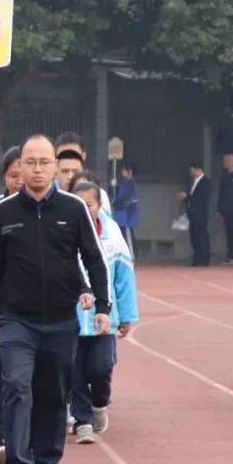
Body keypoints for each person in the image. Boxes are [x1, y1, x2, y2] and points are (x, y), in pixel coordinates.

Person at [0, 134, 111, 464]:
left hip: (60, 321)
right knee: (16, 387)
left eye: (43, 162)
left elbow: (93, 259)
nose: (37, 169)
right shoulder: (4, 212)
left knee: (54, 395)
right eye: (30, 162)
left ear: (55, 167)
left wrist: (102, 306)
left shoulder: (73, 209)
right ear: (19, 168)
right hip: (15, 320)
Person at [68, 181, 138, 444]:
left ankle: (100, 403)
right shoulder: (63, 231)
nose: (85, 210)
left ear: (99, 206)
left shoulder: (112, 235)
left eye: (90, 205)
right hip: (70, 320)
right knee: (73, 373)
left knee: (101, 367)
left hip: (104, 320)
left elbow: (124, 277)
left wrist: (127, 315)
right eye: (80, 205)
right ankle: (82, 421)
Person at [0, 145, 22, 464]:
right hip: (4, 312)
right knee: (8, 376)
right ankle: (5, 441)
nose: (20, 181)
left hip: (45, 313)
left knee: (36, 381)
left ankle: (32, 445)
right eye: (13, 175)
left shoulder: (57, 210)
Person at [179, 162, 211, 266]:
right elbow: (190, 195)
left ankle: (204, 259)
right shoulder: (192, 181)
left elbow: (202, 197)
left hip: (200, 213)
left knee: (201, 236)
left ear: (198, 169)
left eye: (192, 170)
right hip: (192, 213)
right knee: (193, 237)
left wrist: (187, 197)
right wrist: (185, 197)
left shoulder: (206, 181)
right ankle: (196, 258)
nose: (191, 173)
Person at [112, 162, 139, 256]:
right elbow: (117, 194)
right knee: (122, 233)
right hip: (120, 213)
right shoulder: (123, 182)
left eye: (124, 170)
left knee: (127, 234)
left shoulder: (131, 183)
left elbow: (126, 198)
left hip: (126, 214)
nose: (122, 172)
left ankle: (132, 254)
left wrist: (116, 204)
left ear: (129, 172)